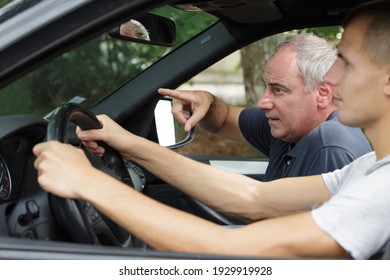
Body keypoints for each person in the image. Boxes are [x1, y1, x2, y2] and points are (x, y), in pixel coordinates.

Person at [33, 0, 390, 259]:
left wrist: (90, 183)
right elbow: (254, 198)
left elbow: (238, 251)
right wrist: (128, 143)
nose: (330, 77)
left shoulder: (382, 191)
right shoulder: (367, 170)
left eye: (346, 62)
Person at [158, 34, 372, 181]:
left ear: (323, 94)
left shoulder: (330, 145)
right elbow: (223, 120)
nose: (262, 102)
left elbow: (310, 244)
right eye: (265, 87)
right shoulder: (288, 128)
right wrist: (206, 100)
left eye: (278, 90)